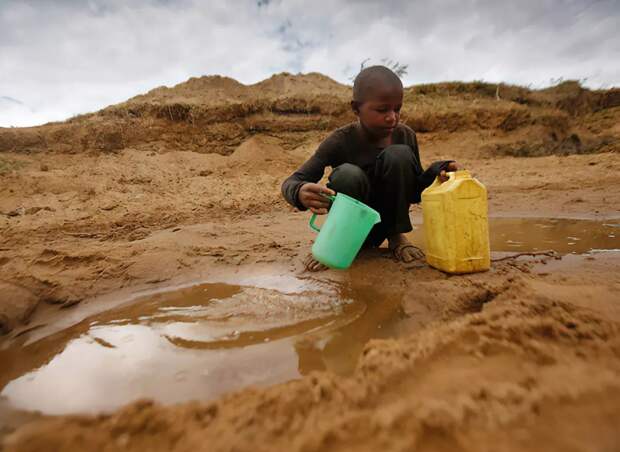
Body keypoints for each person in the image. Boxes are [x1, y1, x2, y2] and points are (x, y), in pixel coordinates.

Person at [281, 65, 458, 270]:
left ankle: (396, 238)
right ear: (356, 109)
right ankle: (340, 243)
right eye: (382, 110)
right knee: (348, 174)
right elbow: (291, 182)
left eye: (397, 109)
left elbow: (414, 192)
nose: (392, 117)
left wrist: (439, 170)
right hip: (351, 227)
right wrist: (299, 192)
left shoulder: (405, 136)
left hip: (388, 224)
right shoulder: (339, 141)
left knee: (398, 155)